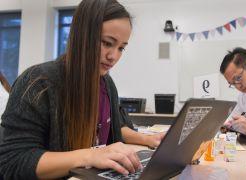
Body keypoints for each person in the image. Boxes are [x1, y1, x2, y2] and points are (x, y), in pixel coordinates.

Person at [0, 0, 164, 179]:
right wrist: (90, 155)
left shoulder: (106, 84)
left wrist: (148, 140)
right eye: (107, 43)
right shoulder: (37, 82)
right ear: (82, 36)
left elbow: (115, 129)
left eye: (121, 48)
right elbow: (13, 161)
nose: (113, 56)